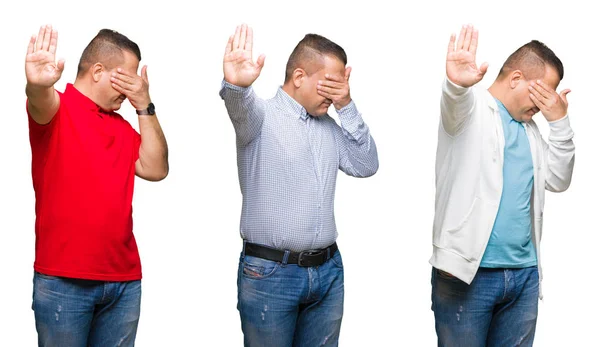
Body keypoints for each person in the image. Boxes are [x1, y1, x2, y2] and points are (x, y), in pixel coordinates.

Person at [220, 24, 378, 347]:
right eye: (329, 85)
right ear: (299, 77)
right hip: (270, 276)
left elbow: (367, 164)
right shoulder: (260, 117)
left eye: (340, 86)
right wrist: (236, 86)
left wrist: (346, 106)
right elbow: (239, 106)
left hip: (328, 273)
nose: (335, 95)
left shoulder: (331, 128)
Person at [430, 24, 575, 346]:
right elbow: (454, 105)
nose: (543, 102)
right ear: (516, 78)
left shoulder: (532, 132)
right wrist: (455, 84)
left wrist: (559, 123)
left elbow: (558, 180)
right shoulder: (471, 110)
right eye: (542, 91)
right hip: (468, 275)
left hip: (524, 274)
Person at [26, 24, 168, 347]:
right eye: (126, 78)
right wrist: (35, 85)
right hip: (64, 284)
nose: (130, 88)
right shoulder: (58, 109)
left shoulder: (122, 128)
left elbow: (157, 168)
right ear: (98, 71)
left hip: (123, 285)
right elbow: (39, 102)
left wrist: (144, 104)